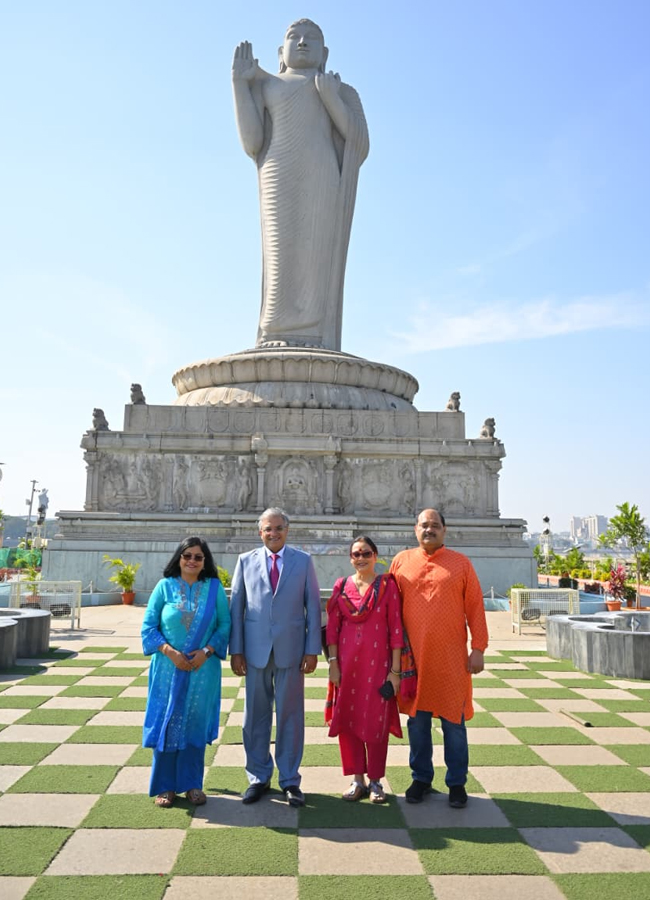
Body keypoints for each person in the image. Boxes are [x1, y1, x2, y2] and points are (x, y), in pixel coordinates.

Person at [232, 19, 369, 351]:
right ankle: (275, 330)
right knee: (281, 251)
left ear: (325, 52)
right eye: (295, 37)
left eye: (313, 38)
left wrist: (331, 98)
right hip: (278, 171)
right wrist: (239, 85)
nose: (304, 42)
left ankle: (316, 334)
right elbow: (253, 143)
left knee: (316, 252)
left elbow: (359, 143)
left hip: (322, 178)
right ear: (282, 52)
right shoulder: (267, 86)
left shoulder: (342, 90)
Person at [389, 509, 488, 808]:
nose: (429, 529)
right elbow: (391, 610)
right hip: (412, 661)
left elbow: (475, 607)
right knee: (417, 724)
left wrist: (478, 648)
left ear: (445, 530)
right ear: (415, 529)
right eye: (424, 525)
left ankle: (457, 783)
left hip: (451, 660)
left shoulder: (461, 564)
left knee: (453, 724)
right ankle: (421, 779)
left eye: (434, 525)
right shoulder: (401, 562)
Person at [229, 507, 321, 807]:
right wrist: (236, 650)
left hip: (292, 651)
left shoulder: (303, 561)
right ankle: (258, 776)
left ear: (287, 530)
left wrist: (312, 649)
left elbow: (313, 607)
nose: (274, 533)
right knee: (254, 717)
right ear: (260, 532)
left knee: (290, 717)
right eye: (268, 528)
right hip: (255, 652)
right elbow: (237, 608)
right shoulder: (245, 561)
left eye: (279, 527)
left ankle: (290, 779)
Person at [141, 536, 230, 808]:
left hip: (203, 669)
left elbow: (225, 625)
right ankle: (165, 787)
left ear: (205, 562)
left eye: (198, 557)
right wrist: (170, 652)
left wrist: (207, 652)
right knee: (167, 722)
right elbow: (149, 627)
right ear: (178, 558)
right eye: (187, 555)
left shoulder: (214, 589)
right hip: (168, 668)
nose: (192, 561)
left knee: (194, 722)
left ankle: (193, 785)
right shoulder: (164, 587)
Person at [325, 536, 404, 804]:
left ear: (376, 555)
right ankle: (356, 779)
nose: (361, 558)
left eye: (366, 553)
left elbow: (396, 629)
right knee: (348, 721)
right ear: (350, 558)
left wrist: (396, 671)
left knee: (376, 723)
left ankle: (376, 782)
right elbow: (333, 630)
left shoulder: (387, 586)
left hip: (378, 667)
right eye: (356, 554)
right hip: (347, 667)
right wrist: (333, 664)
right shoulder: (341, 586)